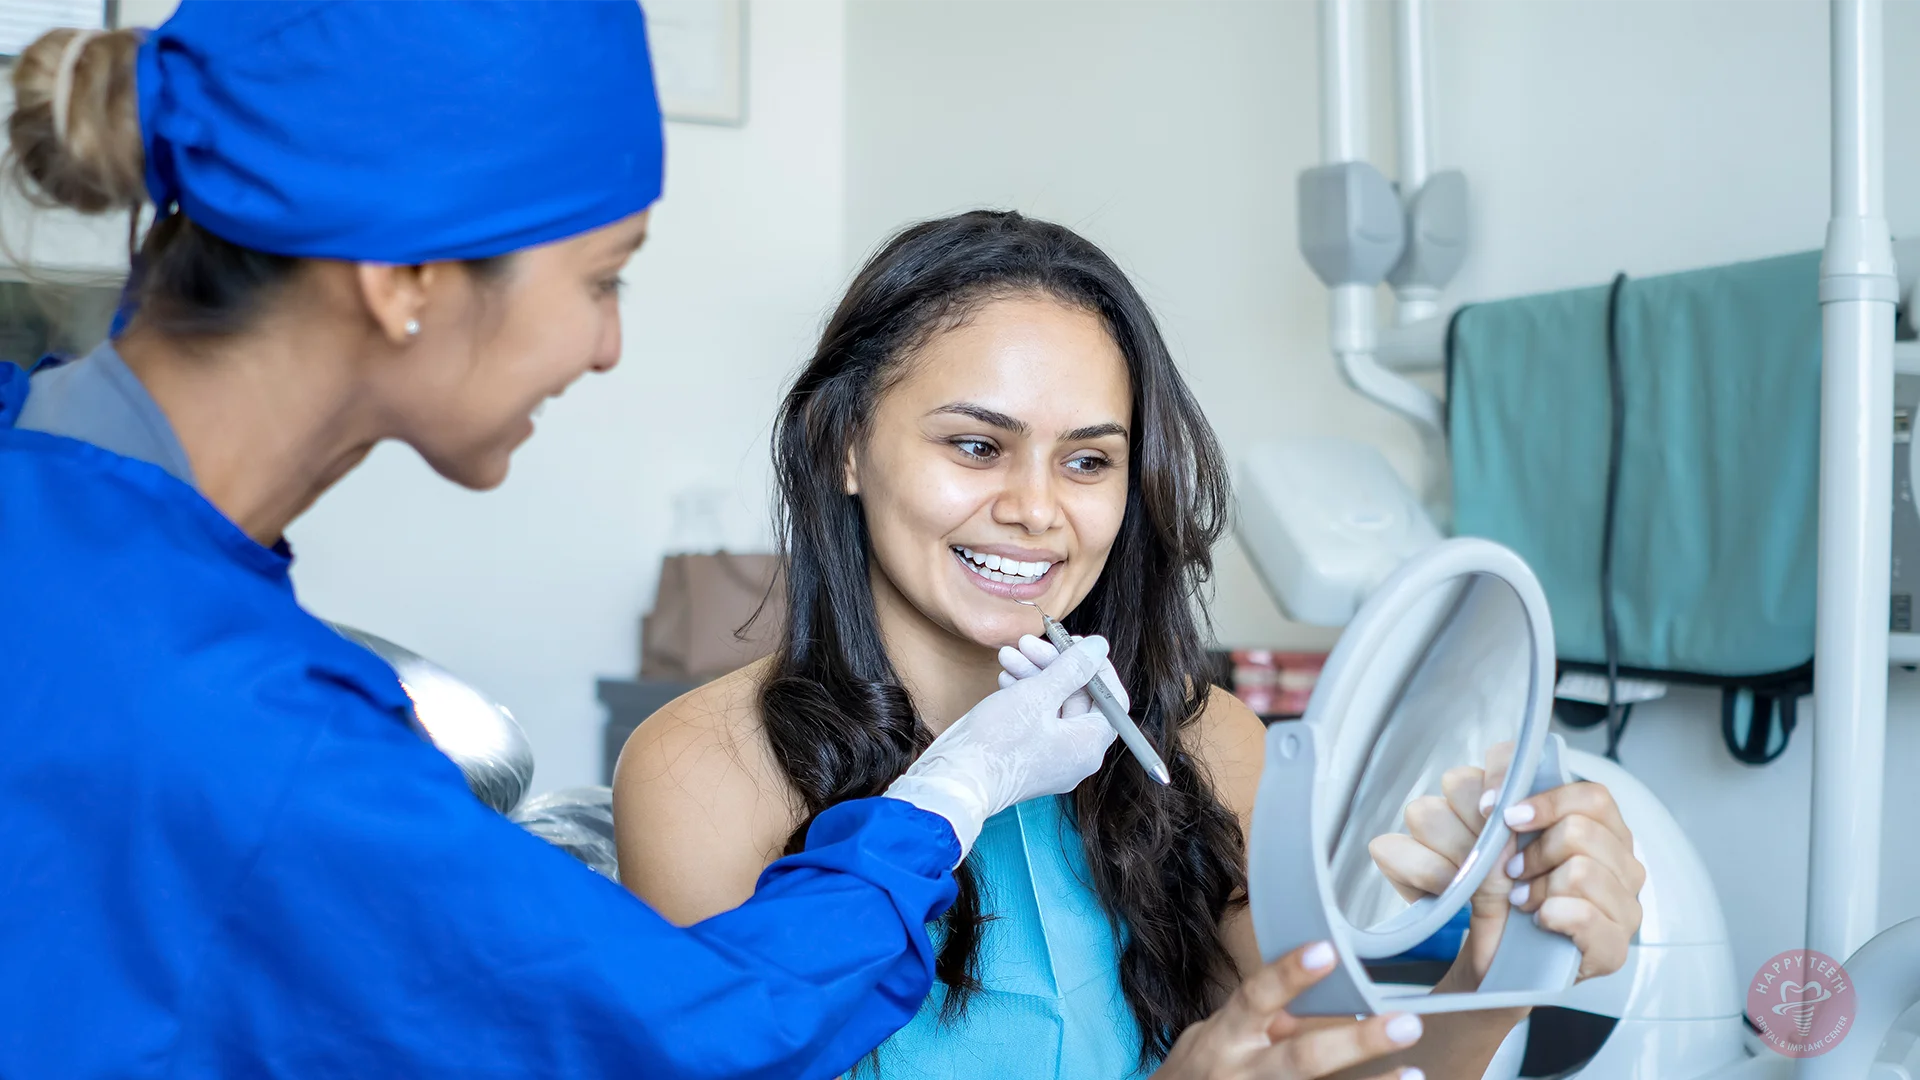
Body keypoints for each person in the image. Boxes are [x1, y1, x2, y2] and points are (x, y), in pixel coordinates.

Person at [0, 8, 1352, 1078]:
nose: (609, 343)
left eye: (1090, 458)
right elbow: (680, 1038)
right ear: (405, 278)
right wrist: (947, 799)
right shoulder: (231, 712)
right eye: (602, 278)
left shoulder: (70, 522)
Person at [613, 211, 1648, 1080]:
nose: (1034, 510)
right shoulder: (705, 770)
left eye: (1088, 462)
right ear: (845, 446)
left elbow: (1330, 1060)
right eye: (976, 446)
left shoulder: (1208, 742)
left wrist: (1493, 981)